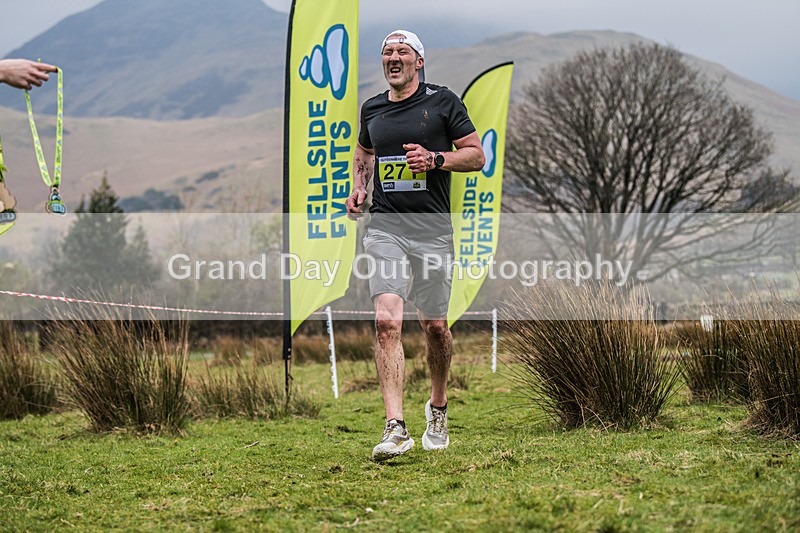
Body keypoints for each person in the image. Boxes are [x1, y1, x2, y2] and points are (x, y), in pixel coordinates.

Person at [346, 30, 485, 461]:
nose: (393, 57)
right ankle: (395, 427)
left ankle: (438, 407)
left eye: (402, 52)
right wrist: (359, 188)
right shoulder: (372, 108)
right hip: (386, 226)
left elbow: (477, 156)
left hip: (432, 230)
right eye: (387, 52)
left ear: (418, 62)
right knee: (386, 321)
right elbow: (364, 153)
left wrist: (436, 159)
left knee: (435, 327)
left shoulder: (443, 103)